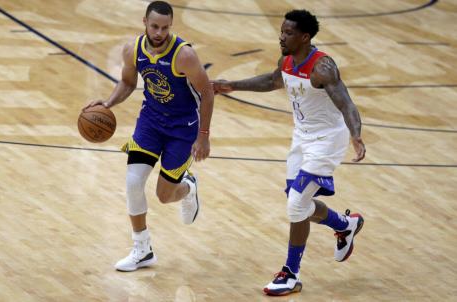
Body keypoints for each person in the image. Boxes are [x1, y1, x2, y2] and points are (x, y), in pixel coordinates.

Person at [213, 9, 366, 296]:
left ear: (305, 37)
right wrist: (231, 85)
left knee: (296, 203)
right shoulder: (286, 61)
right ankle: (346, 225)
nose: (281, 37)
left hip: (327, 140)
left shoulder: (323, 68)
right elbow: (271, 81)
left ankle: (291, 273)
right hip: (301, 139)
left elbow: (347, 104)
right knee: (300, 207)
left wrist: (356, 135)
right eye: (282, 31)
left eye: (288, 33)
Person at [84, 1, 214, 272]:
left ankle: (188, 187)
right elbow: (129, 83)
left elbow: (207, 92)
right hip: (151, 123)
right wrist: (108, 104)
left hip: (182, 129)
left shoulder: (184, 55)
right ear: (144, 22)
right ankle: (142, 249)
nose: (159, 32)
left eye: (165, 27)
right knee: (133, 182)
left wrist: (203, 136)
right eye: (154, 26)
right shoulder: (133, 50)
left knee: (164, 196)